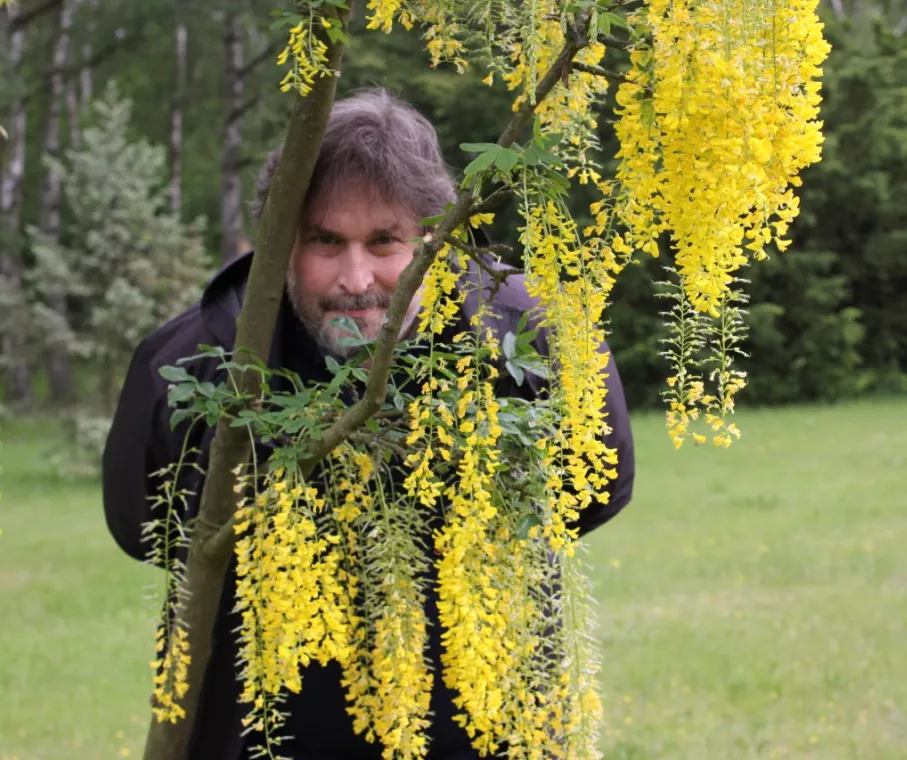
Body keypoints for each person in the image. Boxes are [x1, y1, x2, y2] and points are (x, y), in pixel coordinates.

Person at [101, 87, 636, 760]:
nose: (356, 279)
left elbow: (594, 489)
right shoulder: (191, 363)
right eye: (325, 241)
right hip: (269, 727)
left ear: (436, 234)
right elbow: (146, 529)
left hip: (489, 717)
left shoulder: (536, 335)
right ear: (278, 242)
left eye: (385, 241)